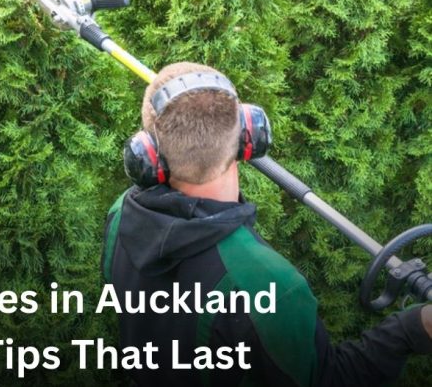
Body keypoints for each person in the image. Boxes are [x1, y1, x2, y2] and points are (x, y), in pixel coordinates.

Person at [101, 61, 432, 386]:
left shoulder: (121, 215)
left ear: (146, 156)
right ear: (250, 136)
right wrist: (411, 328)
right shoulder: (267, 284)